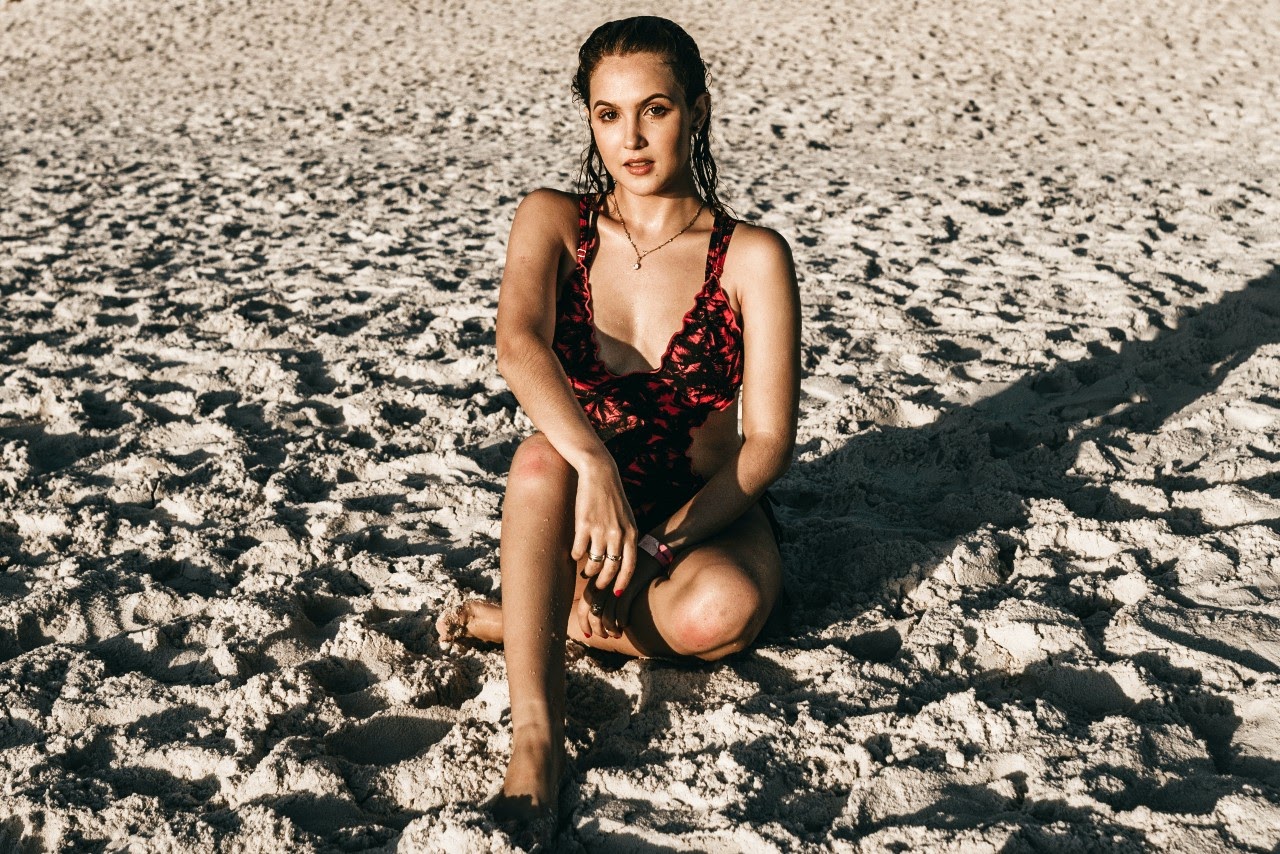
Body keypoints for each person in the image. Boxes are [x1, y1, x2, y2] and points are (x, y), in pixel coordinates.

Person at [436, 15, 800, 830]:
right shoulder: (554, 220)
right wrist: (595, 467)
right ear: (589, 119)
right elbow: (517, 346)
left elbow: (769, 445)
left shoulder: (751, 255)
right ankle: (535, 737)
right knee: (538, 461)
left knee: (726, 612)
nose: (631, 137)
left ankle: (531, 617)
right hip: (579, 490)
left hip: (699, 509)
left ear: (697, 111)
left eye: (656, 110)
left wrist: (658, 544)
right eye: (608, 114)